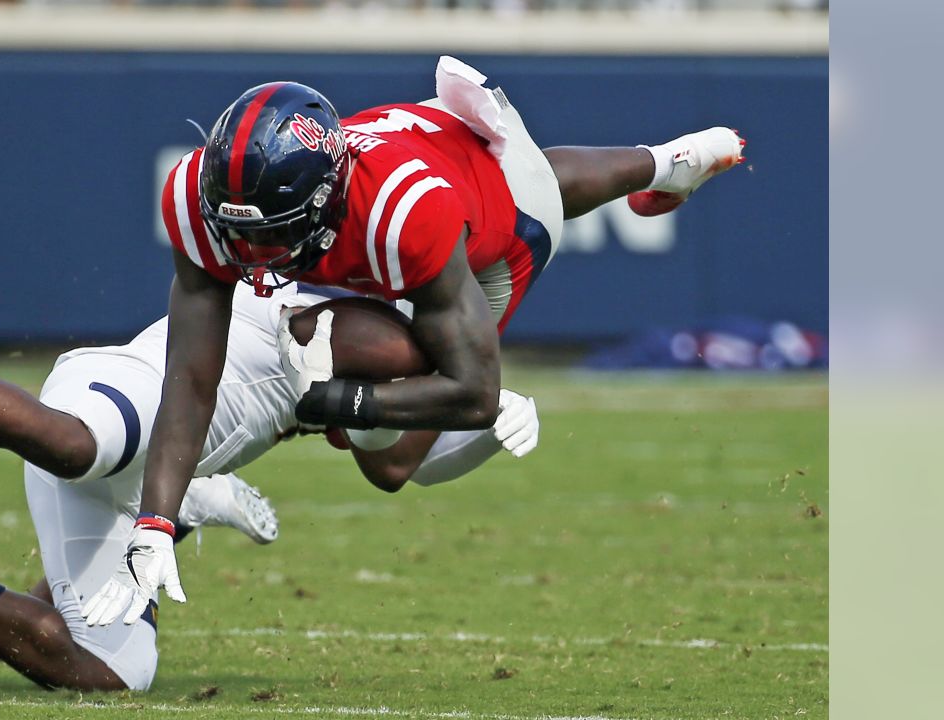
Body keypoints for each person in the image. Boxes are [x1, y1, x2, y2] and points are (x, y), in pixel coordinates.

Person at [84, 55, 746, 625]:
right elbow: (191, 378)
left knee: (394, 464)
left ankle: (664, 165)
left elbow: (474, 392)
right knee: (524, 173)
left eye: (275, 232)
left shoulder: (403, 215)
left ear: (328, 194)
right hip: (441, 144)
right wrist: (153, 527)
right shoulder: (202, 201)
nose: (255, 254)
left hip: (495, 228)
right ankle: (666, 163)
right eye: (244, 234)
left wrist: (329, 406)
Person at [0, 283, 541, 691]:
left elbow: (392, 464)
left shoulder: (395, 353)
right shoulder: (363, 329)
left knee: (104, 667)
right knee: (79, 446)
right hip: (136, 403)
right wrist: (472, 398)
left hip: (160, 467)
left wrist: (481, 418)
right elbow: (360, 407)